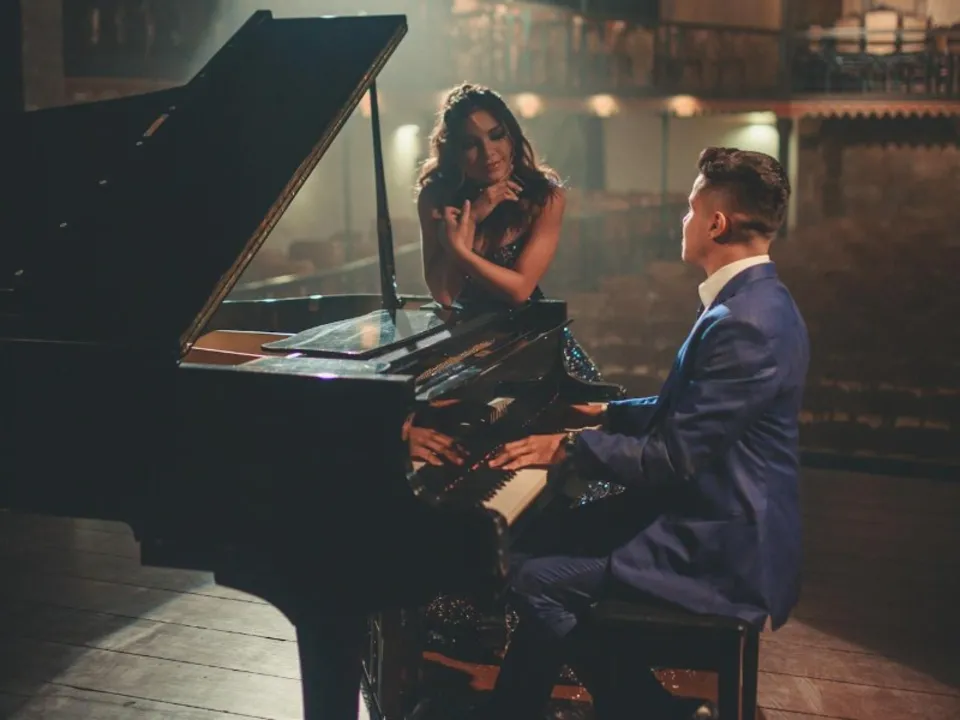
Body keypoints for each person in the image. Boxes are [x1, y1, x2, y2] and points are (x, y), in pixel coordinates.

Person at [482, 147, 809, 720]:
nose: (682, 220)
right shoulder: (755, 303)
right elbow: (691, 412)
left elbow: (671, 457)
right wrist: (603, 414)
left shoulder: (745, 323)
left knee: (532, 578)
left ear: (716, 223)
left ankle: (645, 711)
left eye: (690, 209)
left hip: (721, 545)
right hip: (714, 513)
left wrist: (564, 447)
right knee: (539, 538)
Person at [408, 83, 620, 669]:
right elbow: (444, 296)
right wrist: (472, 221)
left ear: (512, 132)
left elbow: (521, 288)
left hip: (536, 350)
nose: (489, 152)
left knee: (560, 476)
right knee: (469, 471)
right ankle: (478, 609)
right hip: (470, 353)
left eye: (496, 134)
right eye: (471, 144)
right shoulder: (437, 196)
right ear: (454, 153)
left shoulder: (545, 195)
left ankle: (549, 616)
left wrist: (463, 249)